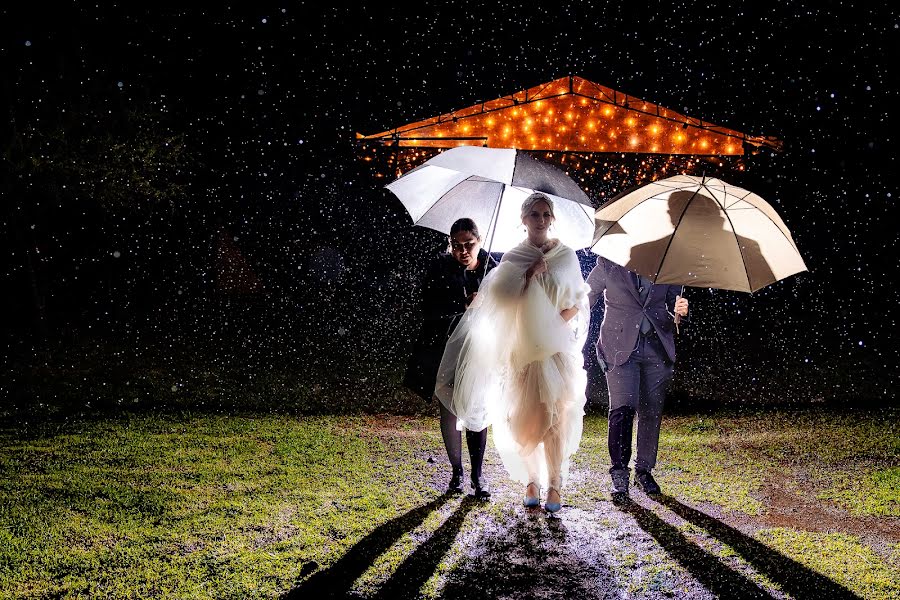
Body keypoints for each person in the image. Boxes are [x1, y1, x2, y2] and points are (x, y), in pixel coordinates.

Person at [436, 193, 590, 513]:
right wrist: (529, 275)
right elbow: (504, 306)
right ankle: (532, 480)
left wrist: (550, 326)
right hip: (521, 352)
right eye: (534, 214)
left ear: (553, 218)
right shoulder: (513, 259)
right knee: (525, 418)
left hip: (554, 351)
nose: (541, 219)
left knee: (555, 419)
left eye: (546, 214)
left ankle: (555, 485)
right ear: (524, 220)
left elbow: (575, 302)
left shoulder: (565, 256)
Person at [404, 218, 497, 497]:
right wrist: (462, 306)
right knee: (449, 408)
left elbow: (506, 308)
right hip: (443, 349)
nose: (463, 251)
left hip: (479, 351)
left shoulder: (493, 269)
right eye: (456, 245)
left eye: (469, 244)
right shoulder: (440, 267)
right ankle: (457, 472)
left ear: (480, 241)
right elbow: (428, 305)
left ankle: (478, 476)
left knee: (476, 407)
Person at [586, 254, 689, 496]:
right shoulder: (607, 263)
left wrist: (680, 311)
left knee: (651, 410)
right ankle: (619, 472)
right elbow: (583, 298)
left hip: (657, 346)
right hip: (619, 346)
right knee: (622, 408)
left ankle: (644, 471)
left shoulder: (670, 263)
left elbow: (674, 311)